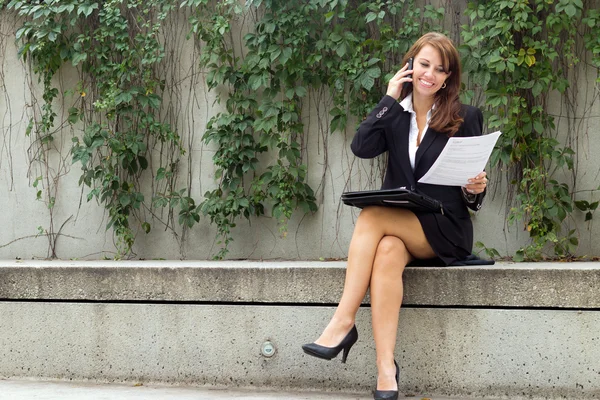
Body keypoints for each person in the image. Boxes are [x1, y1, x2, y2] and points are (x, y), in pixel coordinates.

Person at [301, 32, 488, 400]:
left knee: (371, 216)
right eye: (423, 65)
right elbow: (361, 147)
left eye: (440, 69)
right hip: (402, 228)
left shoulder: (465, 117)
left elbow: (471, 197)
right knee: (386, 251)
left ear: (448, 77)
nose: (430, 75)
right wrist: (389, 98)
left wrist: (474, 188)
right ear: (409, 66)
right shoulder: (395, 115)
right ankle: (386, 371)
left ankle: (343, 321)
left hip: (445, 228)